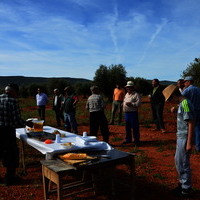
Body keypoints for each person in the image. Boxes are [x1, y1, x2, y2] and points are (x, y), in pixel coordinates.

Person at [162, 84, 194, 197]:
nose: (170, 102)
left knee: (183, 162)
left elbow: (190, 122)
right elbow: (184, 118)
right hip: (180, 135)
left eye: (170, 99)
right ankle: (182, 184)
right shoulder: (181, 104)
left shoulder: (185, 103)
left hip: (184, 137)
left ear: (174, 95)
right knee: (178, 161)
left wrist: (189, 142)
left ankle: (186, 189)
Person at [0, 83, 25, 185]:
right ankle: (10, 179)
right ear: (13, 92)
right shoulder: (12, 101)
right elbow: (17, 121)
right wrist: (26, 124)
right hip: (6, 132)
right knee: (11, 154)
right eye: (17, 93)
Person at [181, 76, 200, 152]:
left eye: (185, 82)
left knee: (189, 128)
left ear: (189, 82)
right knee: (198, 128)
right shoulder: (198, 89)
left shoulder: (187, 90)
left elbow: (181, 99)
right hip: (199, 110)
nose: (184, 83)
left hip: (190, 111)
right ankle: (198, 146)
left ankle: (190, 144)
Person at [122, 81, 141, 145]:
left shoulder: (136, 94)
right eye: (127, 87)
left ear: (133, 87)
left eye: (129, 87)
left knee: (135, 127)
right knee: (127, 127)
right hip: (126, 113)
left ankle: (136, 140)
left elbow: (138, 104)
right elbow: (125, 101)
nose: (128, 88)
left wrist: (132, 104)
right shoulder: (126, 94)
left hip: (133, 113)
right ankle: (128, 139)